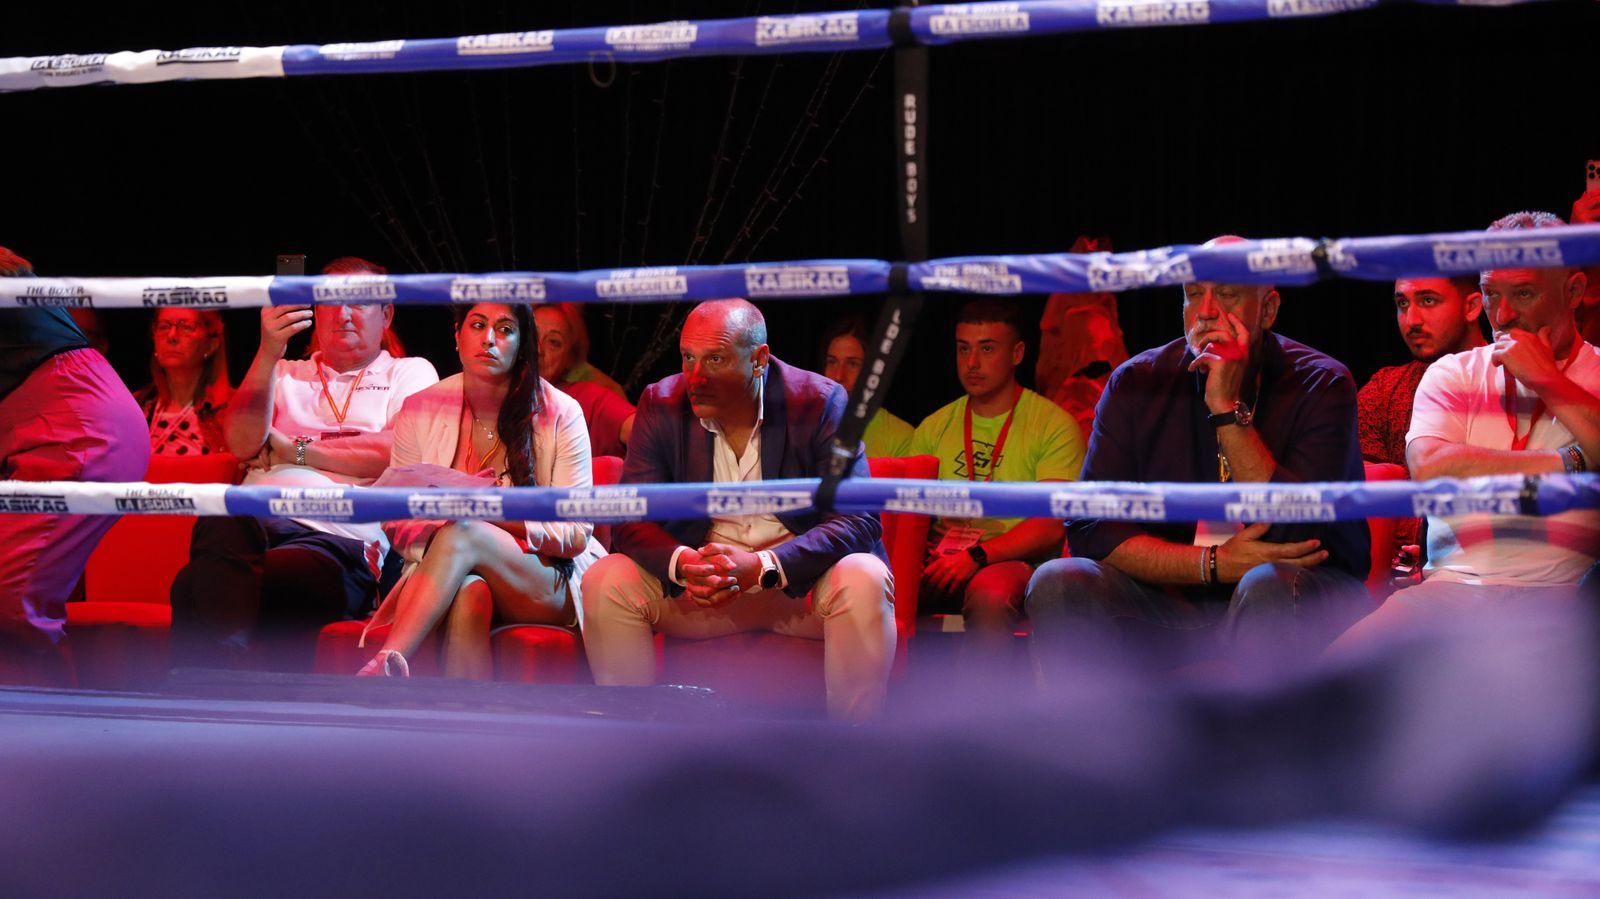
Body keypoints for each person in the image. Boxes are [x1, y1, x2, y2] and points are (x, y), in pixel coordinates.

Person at [1028, 236, 1371, 677]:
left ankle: (1263, 744)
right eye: (1193, 294)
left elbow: (1294, 530)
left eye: (1227, 294)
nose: (1206, 311)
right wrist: (1213, 565)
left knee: (1266, 583)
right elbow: (1092, 529)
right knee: (1059, 582)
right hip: (1174, 596)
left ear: (1267, 309)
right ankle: (1093, 743)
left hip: (1298, 589)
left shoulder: (1323, 383)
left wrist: (1226, 409)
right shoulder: (1134, 382)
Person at [579, 299, 894, 720]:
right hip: (702, 588)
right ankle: (632, 752)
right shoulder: (662, 402)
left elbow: (859, 519)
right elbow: (632, 520)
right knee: (606, 579)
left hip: (795, 584)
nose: (696, 378)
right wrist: (685, 563)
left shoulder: (821, 401)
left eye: (715, 359)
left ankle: (854, 751)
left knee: (865, 576)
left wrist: (765, 565)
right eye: (688, 358)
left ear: (759, 360)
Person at [1330, 211, 1600, 652]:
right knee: (1334, 676)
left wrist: (1548, 380)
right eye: (1492, 293)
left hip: (1563, 596)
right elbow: (1431, 471)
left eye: (1525, 293)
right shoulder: (1452, 372)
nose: (1504, 315)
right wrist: (1570, 461)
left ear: (1573, 291)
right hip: (1448, 590)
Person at [170, 256, 439, 669]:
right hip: (253, 526)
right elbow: (241, 443)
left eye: (360, 303)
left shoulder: (410, 372)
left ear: (386, 314)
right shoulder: (284, 370)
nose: (344, 315)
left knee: (199, 584)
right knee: (221, 517)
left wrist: (292, 449)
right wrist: (267, 349)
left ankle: (213, 683)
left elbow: (397, 454)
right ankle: (224, 678)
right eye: (331, 302)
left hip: (336, 539)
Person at [357, 302, 604, 678]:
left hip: (541, 577)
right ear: (457, 336)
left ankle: (386, 663)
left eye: (505, 329)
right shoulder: (420, 408)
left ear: (522, 343)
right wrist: (449, 533)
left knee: (466, 530)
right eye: (477, 325)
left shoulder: (562, 412)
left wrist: (486, 513)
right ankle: (470, 725)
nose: (489, 338)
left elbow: (574, 534)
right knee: (470, 588)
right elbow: (396, 521)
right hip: (446, 572)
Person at [0, 246, 149, 682]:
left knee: (11, 604)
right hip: (50, 421)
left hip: (74, 428)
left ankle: (48, 740)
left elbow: (12, 268)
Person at [907, 299, 1085, 656]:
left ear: (1017, 353)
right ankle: (885, 707)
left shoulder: (1053, 425)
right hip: (942, 559)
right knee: (880, 580)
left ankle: (981, 710)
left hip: (1010, 560)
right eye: (963, 349)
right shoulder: (934, 427)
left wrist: (976, 555)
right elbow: (907, 513)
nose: (972, 363)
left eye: (987, 348)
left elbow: (1051, 524)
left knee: (991, 594)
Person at [1356, 276, 1486, 559]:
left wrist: (1430, 542)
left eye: (1428, 301)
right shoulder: (1383, 389)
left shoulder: (1507, 383)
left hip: (1488, 565)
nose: (1411, 319)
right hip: (1390, 575)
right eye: (1402, 303)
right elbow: (1364, 494)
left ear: (1472, 306)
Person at [134, 307, 234, 457]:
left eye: (186, 327)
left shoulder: (234, 410)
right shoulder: (134, 406)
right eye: (164, 326)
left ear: (211, 345)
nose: (172, 336)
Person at [819, 314, 914, 458]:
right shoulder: (805, 428)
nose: (838, 376)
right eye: (832, 362)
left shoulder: (900, 436)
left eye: (852, 364)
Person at [535, 303, 626, 398]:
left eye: (554, 342)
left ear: (570, 358)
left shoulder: (589, 396)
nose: (538, 349)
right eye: (532, 335)